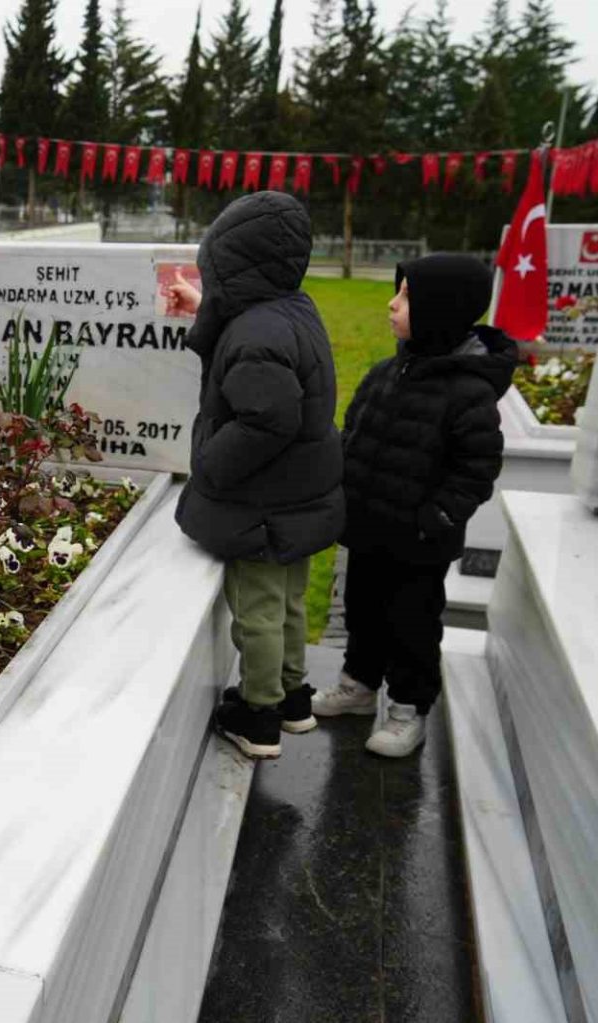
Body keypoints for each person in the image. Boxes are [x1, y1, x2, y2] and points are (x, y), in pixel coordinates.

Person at [312, 254, 518, 757]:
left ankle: (408, 708)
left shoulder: (469, 393)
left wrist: (437, 517)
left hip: (420, 541)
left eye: (406, 297)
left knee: (412, 626)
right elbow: (355, 434)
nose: (391, 304)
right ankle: (358, 686)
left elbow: (476, 468)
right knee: (362, 612)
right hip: (368, 528)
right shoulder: (387, 372)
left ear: (440, 310)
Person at [174, 191, 344, 760]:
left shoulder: (255, 333)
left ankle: (260, 715)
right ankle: (293, 699)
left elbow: (268, 418)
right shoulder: (291, 310)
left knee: (258, 613)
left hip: (262, 506)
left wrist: (211, 465)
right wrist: (204, 304)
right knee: (290, 602)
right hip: (298, 498)